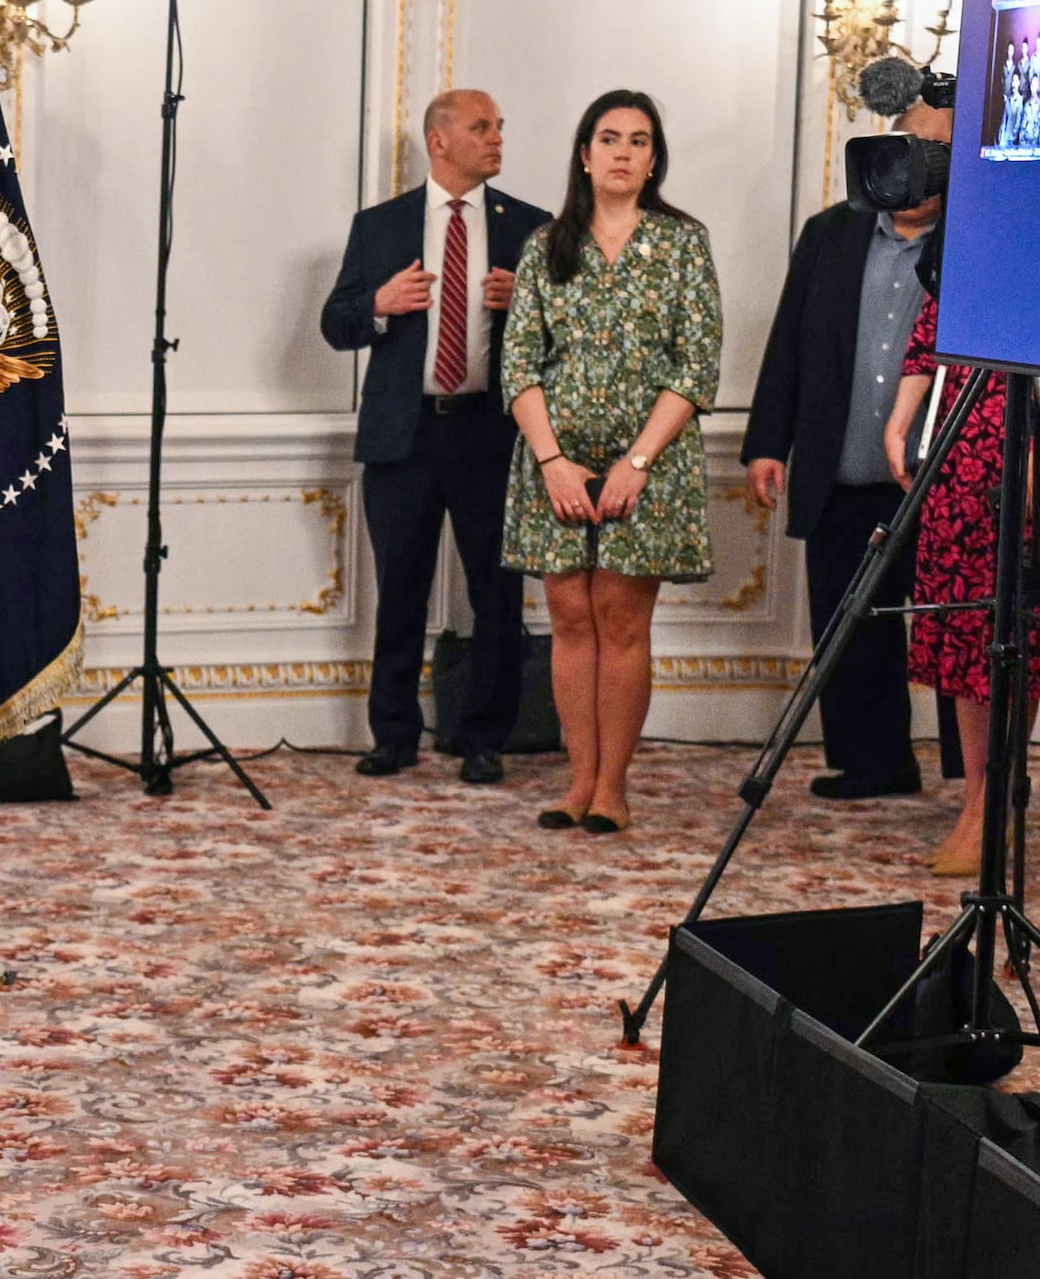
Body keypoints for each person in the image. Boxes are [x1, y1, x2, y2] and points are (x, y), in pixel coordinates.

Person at [503, 90, 723, 837]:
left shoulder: (682, 243)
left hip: (650, 462)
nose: (623, 151)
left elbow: (697, 365)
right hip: (554, 462)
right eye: (609, 137)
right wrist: (554, 461)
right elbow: (519, 365)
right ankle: (577, 781)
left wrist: (636, 460)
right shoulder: (544, 246)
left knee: (621, 619)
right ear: (585, 154)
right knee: (569, 615)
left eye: (639, 140)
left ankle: (614, 788)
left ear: (654, 158)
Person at [320, 86, 545, 784]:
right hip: (404, 437)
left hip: (492, 433)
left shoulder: (531, 228)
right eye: (483, 127)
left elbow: (567, 334)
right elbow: (336, 322)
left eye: (501, 127)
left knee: (497, 595)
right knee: (401, 591)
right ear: (439, 140)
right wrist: (380, 307)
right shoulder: (380, 225)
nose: (498, 139)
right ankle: (393, 737)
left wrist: (529, 304)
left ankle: (484, 738)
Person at [740, 101, 945, 800]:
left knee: (956, 629)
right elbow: (790, 341)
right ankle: (872, 760)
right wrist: (769, 443)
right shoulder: (830, 233)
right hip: (842, 464)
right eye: (906, 142)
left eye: (935, 147)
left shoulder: (981, 242)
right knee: (846, 621)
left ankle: (980, 780)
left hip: (945, 475)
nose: (914, 159)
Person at [886, 263, 1040, 880]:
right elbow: (930, 339)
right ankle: (975, 798)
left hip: (1028, 456)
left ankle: (997, 803)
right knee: (962, 640)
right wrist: (900, 423)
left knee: (1015, 637)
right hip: (956, 462)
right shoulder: (970, 238)